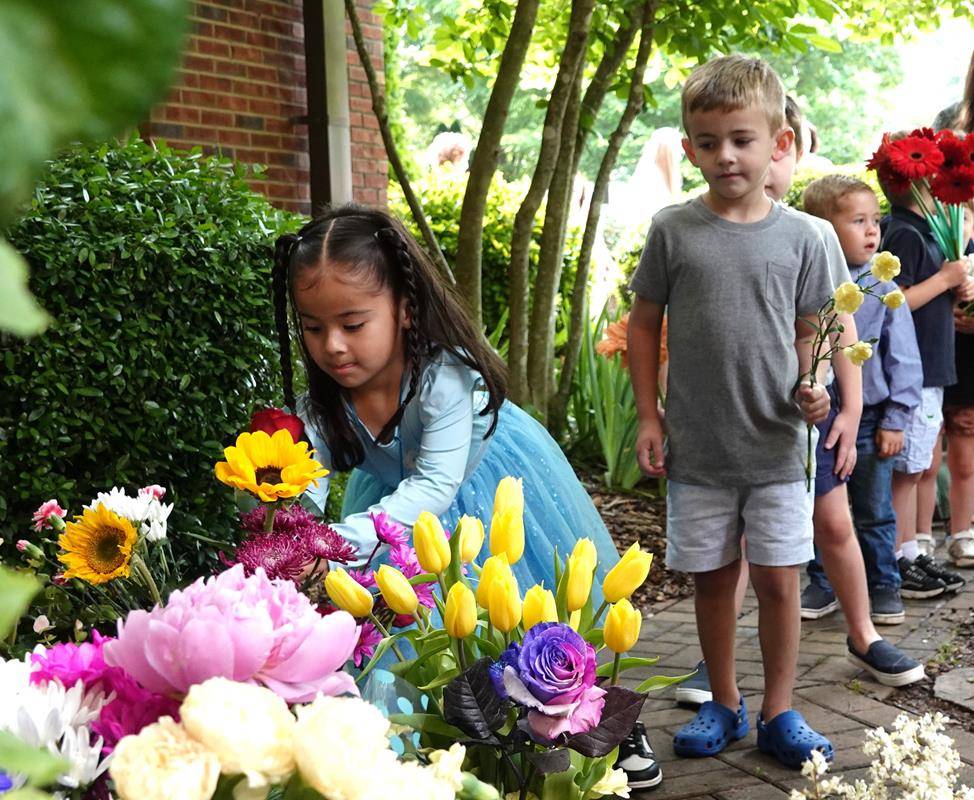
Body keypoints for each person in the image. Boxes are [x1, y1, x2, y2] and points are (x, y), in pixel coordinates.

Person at [270, 206, 661, 790]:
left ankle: (606, 721)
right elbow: (302, 481)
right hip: (394, 516)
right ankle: (437, 745)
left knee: (533, 615)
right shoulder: (321, 403)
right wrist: (287, 538)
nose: (332, 346)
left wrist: (334, 541)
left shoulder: (444, 378)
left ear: (403, 309)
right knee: (410, 635)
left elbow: (434, 486)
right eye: (313, 326)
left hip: (484, 497)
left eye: (353, 324)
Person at [628, 55, 834, 768]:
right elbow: (643, 322)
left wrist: (820, 385)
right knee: (713, 579)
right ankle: (724, 699)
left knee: (780, 581)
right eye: (708, 141)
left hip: (778, 446)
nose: (725, 156)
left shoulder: (808, 238)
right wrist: (649, 418)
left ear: (778, 143)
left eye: (741, 139)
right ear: (688, 148)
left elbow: (820, 330)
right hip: (698, 448)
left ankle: (780, 709)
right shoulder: (673, 231)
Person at [799, 175, 926, 682]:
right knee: (819, 509)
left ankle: (884, 582)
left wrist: (896, 417)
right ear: (823, 231)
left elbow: (905, 362)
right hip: (817, 413)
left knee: (872, 510)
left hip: (872, 418)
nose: (873, 232)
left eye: (876, 221)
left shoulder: (882, 288)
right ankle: (822, 582)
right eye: (858, 222)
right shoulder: (812, 284)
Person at [878, 142, 974, 583]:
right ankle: (900, 559)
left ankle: (910, 551)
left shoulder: (927, 230)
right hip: (913, 369)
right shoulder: (904, 234)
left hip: (931, 366)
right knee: (908, 469)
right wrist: (944, 279)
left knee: (918, 465)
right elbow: (892, 301)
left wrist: (956, 288)